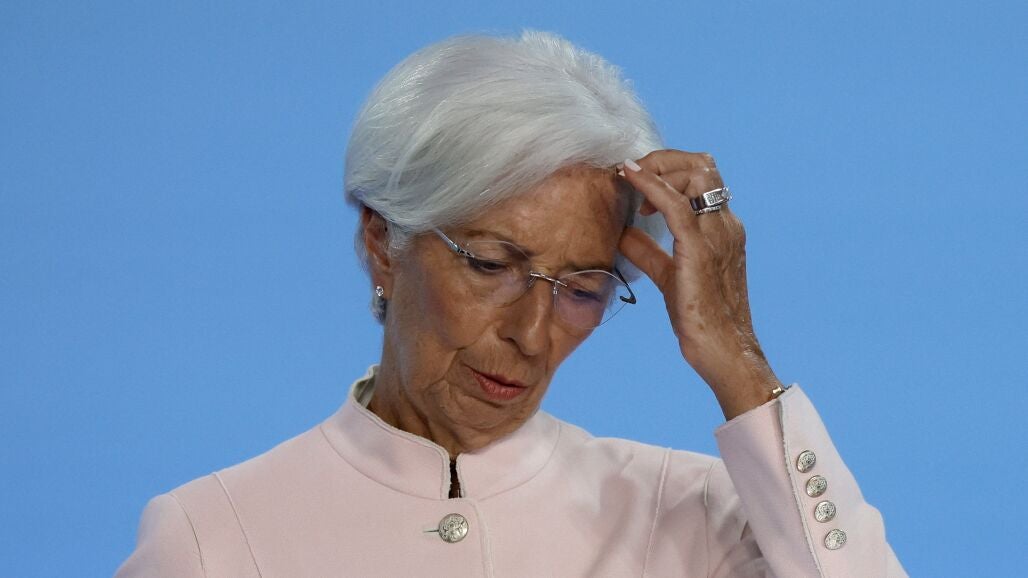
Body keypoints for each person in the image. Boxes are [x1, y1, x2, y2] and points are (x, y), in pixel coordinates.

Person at [116, 30, 906, 577]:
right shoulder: (213, 536)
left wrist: (737, 360)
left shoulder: (694, 515)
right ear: (382, 242)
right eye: (493, 265)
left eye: (584, 289)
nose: (532, 334)